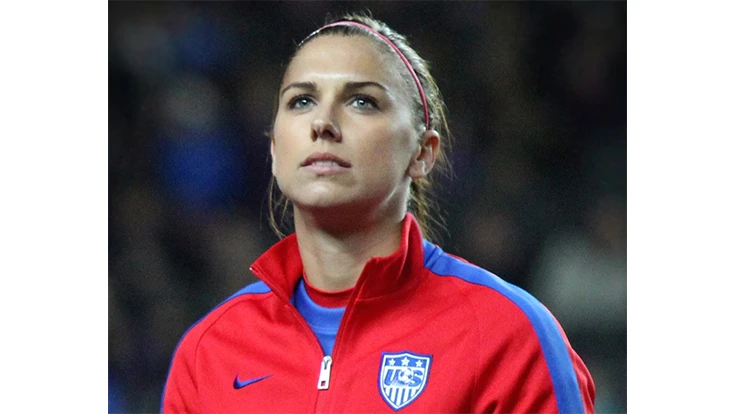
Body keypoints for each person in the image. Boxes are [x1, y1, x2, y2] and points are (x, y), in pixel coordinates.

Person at [162, 12, 596, 413]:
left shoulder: (508, 334)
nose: (323, 123)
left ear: (422, 152)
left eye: (362, 102)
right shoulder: (209, 352)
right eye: (301, 101)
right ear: (275, 150)